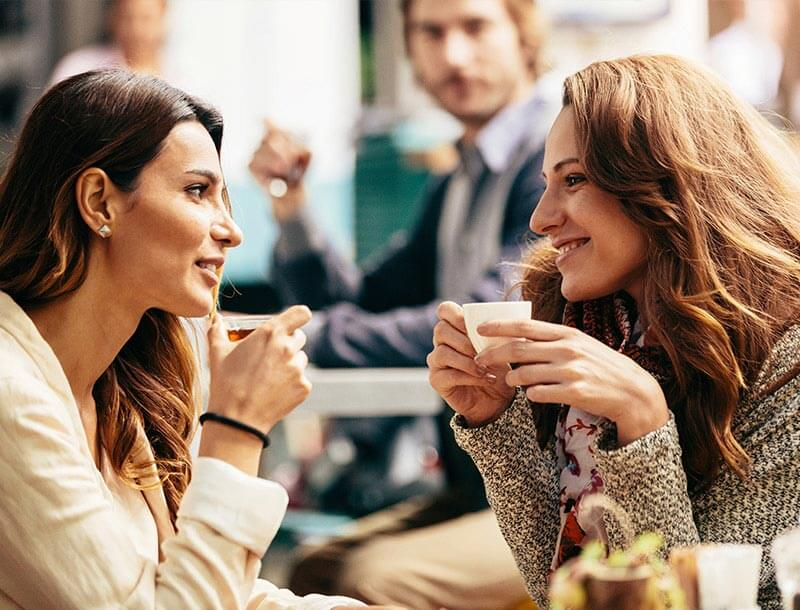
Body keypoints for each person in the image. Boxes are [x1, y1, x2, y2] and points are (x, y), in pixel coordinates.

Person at [0, 68, 403, 609]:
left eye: (223, 196)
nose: (232, 229)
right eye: (197, 191)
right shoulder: (11, 392)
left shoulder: (122, 391)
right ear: (99, 202)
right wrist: (237, 427)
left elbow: (211, 590)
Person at [428, 54, 800, 610]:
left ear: (667, 186)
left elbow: (707, 604)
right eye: (546, 183)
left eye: (573, 180)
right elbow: (559, 591)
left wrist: (643, 422)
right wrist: (494, 419)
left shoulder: (786, 359)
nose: (540, 218)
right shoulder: (594, 324)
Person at [249, 0, 558, 607]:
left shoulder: (555, 159)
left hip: (554, 492)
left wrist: (307, 333)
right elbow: (360, 298)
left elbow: (478, 324)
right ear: (411, 51)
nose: (453, 54)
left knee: (372, 583)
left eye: (474, 27)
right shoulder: (458, 178)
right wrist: (291, 206)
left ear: (522, 33)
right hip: (475, 489)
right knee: (312, 571)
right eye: (432, 33)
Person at [50, 0, 171, 84]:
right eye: (128, 18)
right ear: (113, 18)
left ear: (163, 19)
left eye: (146, 18)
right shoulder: (78, 67)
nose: (136, 29)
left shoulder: (183, 78)